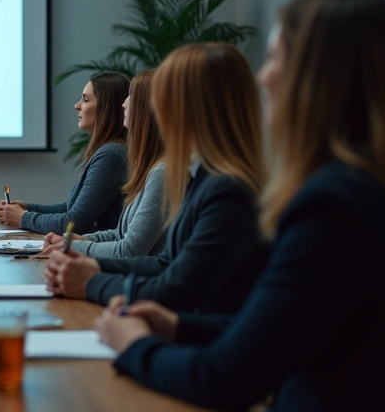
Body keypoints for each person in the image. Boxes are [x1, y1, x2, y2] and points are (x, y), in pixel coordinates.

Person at [95, 0, 385, 412]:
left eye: (276, 58)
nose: (263, 78)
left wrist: (133, 345)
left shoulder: (336, 205)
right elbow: (285, 327)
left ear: (319, 79)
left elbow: (227, 378)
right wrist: (180, 325)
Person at [45, 43, 268, 314]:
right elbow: (166, 263)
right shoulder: (202, 176)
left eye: (165, 94)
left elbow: (178, 287)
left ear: (192, 106)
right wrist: (90, 263)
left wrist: (91, 279)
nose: (131, 104)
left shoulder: (226, 190)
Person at [42, 69, 166, 257]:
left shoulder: (159, 172)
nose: (124, 103)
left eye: (132, 95)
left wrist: (72, 246)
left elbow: (129, 250)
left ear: (146, 109)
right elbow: (121, 235)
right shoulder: (150, 167)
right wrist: (81, 241)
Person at [0, 72, 129, 235]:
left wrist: (23, 218)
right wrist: (27, 209)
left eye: (86, 99)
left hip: (98, 256)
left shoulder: (111, 155)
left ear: (106, 108)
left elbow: (73, 223)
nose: (77, 106)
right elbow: (72, 207)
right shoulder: (109, 150)